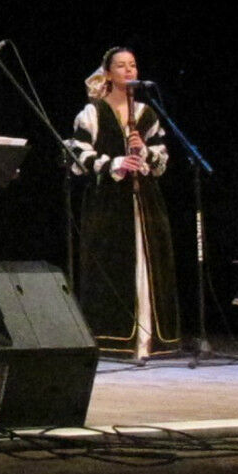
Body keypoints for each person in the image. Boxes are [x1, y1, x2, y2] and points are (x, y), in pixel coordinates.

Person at [68, 46, 180, 360]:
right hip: (107, 202)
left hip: (146, 201)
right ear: (108, 73)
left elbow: (162, 161)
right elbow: (79, 155)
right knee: (114, 266)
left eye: (132, 65)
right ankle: (114, 339)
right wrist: (115, 163)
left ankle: (149, 341)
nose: (129, 70)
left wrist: (144, 151)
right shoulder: (92, 112)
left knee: (148, 266)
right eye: (121, 66)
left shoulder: (147, 113)